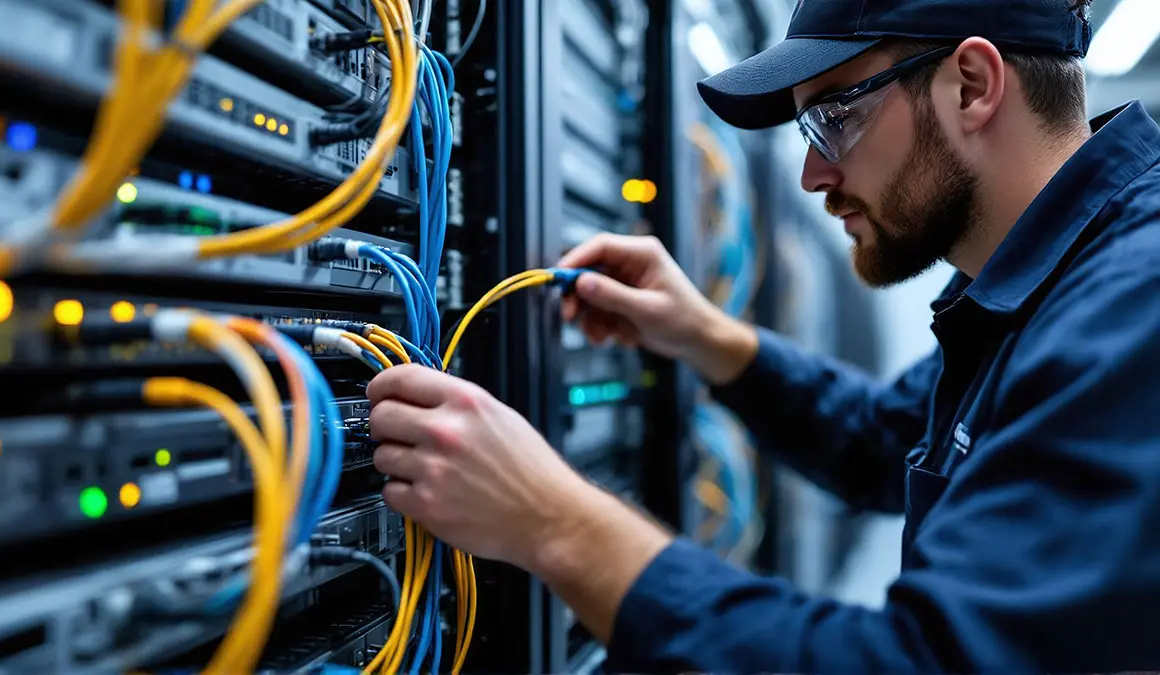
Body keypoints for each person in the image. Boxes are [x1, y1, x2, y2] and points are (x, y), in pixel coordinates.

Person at [368, 0, 1160, 670]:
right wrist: (702, 334)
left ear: (973, 85)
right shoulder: (1050, 280)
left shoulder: (1133, 304)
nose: (813, 175)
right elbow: (887, 441)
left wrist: (557, 523)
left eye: (834, 118)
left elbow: (915, 659)